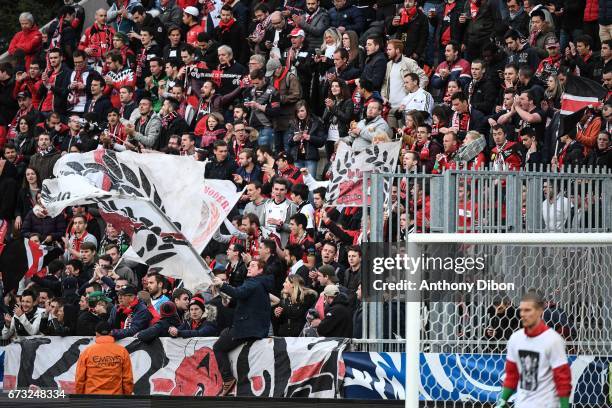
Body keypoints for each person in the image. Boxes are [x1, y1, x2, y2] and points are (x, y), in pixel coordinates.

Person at [496, 291, 571, 408]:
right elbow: (512, 375)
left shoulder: (554, 340)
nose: (523, 314)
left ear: (540, 311)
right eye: (521, 310)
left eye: (528, 310)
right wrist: (502, 400)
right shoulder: (515, 339)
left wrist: (564, 406)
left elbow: (562, 379)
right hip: (522, 404)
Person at [212, 259, 274, 396]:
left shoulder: (254, 282)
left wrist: (222, 284)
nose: (249, 268)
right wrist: (229, 303)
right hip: (256, 328)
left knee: (218, 347)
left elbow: (239, 293)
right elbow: (245, 300)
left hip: (247, 328)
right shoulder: (261, 284)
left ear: (260, 270)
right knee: (224, 333)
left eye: (253, 265)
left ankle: (227, 379)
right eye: (249, 266)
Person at [75, 321, 134, 395]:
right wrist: (126, 397)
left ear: (96, 333)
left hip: (91, 398)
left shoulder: (87, 352)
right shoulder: (122, 351)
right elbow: (128, 379)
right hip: (115, 399)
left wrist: (80, 397)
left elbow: (80, 378)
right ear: (110, 333)